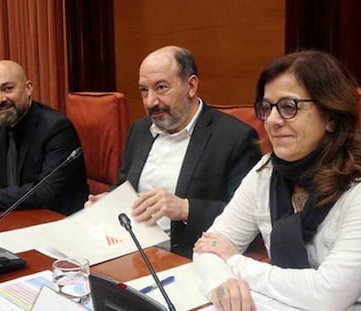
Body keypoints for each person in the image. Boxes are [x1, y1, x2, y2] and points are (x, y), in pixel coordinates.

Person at [193, 50, 361, 310]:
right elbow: (209, 245)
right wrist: (222, 282)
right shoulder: (267, 171)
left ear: (331, 116)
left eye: (288, 107)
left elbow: (328, 295)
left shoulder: (357, 188)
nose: (271, 121)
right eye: (267, 107)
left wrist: (236, 263)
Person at [86, 46, 261, 258]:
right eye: (144, 90)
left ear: (191, 85)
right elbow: (125, 186)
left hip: (186, 258)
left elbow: (249, 218)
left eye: (161, 88)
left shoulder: (234, 137)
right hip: (128, 249)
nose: (151, 101)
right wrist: (108, 201)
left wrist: (185, 208)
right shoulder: (140, 130)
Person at [0, 60, 89, 215]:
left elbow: (44, 193)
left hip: (58, 220)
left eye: (8, 89)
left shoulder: (56, 128)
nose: (0, 99)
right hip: (14, 217)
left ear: (28, 88)